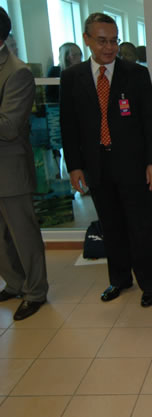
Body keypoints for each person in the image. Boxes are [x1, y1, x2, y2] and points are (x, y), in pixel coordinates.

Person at [60, 12, 152, 307]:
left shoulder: (136, 74)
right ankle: (119, 279)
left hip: (133, 166)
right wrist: (75, 167)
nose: (109, 48)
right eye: (102, 41)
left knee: (141, 226)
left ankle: (150, 284)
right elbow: (69, 126)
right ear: (87, 40)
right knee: (112, 226)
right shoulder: (72, 78)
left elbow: (150, 122)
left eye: (114, 41)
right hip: (96, 166)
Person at [0, 6, 49, 321]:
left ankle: (35, 292)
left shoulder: (17, 71)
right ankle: (15, 283)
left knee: (23, 235)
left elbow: (7, 127)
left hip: (9, 170)